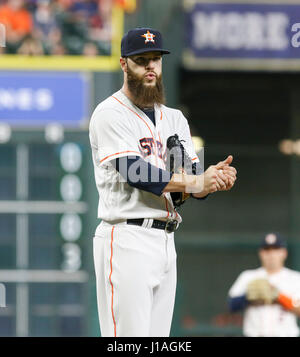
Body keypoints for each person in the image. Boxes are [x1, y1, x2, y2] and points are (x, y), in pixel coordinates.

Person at [89, 27, 237, 337]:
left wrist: (211, 180)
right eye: (141, 60)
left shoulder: (175, 118)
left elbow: (187, 189)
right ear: (123, 64)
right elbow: (135, 173)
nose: (150, 67)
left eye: (155, 59)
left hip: (166, 240)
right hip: (127, 236)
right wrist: (197, 182)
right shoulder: (109, 113)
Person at [228, 232, 300, 337]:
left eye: (275, 249)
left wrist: (279, 297)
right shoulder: (248, 276)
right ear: (261, 253)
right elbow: (232, 305)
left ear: (284, 253)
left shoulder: (296, 278)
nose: (271, 254)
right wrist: (247, 297)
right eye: (267, 250)